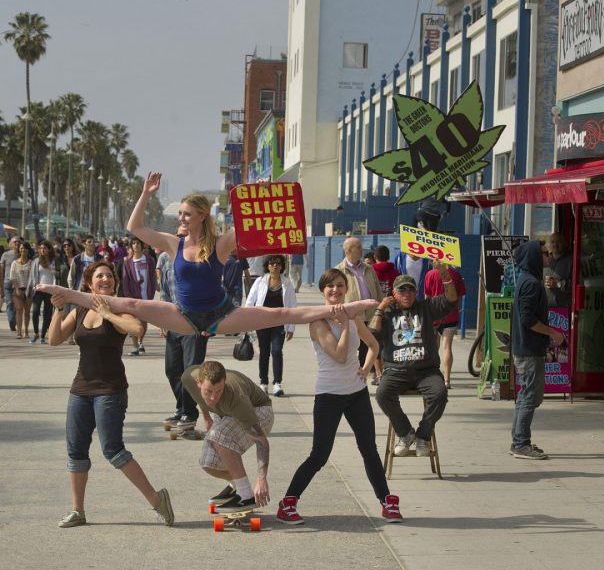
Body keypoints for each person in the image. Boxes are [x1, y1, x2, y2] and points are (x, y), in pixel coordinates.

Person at [38, 172, 377, 335]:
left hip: (220, 314)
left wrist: (260, 193)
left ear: (201, 215)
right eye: (179, 214)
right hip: (183, 315)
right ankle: (66, 293)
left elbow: (253, 223)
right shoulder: (173, 243)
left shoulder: (220, 245)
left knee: (279, 314)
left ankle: (344, 308)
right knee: (133, 304)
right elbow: (135, 228)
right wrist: (144, 193)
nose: (181, 218)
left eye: (186, 213)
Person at [47, 261, 175, 528]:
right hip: (81, 389)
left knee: (113, 450)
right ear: (89, 283)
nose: (105, 279)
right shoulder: (80, 309)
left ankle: (157, 500)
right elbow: (54, 339)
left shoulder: (119, 307)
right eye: (99, 276)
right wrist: (59, 309)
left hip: (110, 390)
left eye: (109, 276)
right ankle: (78, 511)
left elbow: (137, 330)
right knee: (76, 451)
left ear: (114, 283)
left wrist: (108, 314)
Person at [276, 268, 403, 525]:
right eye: (330, 287)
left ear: (346, 289)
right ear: (323, 291)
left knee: (369, 449)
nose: (335, 290)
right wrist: (345, 324)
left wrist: (366, 369)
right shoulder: (317, 323)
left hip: (356, 393)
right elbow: (340, 355)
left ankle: (386, 501)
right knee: (320, 455)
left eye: (340, 286)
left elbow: (374, 346)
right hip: (329, 395)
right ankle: (287, 503)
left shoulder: (353, 317)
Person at [370, 272, 458, 458]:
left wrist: (445, 276)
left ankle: (423, 436)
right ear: (393, 293)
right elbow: (372, 335)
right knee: (382, 394)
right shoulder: (387, 312)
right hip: (395, 370)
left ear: (416, 292)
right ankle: (405, 433)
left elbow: (451, 299)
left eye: (410, 290)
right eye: (402, 290)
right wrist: (380, 308)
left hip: (426, 371)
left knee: (439, 393)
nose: (406, 294)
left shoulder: (426, 307)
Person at [182, 361, 273, 513]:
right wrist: (206, 417)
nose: (213, 397)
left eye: (219, 391)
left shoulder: (236, 397)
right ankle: (237, 486)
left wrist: (261, 479)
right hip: (226, 414)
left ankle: (245, 496)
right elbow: (199, 398)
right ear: (198, 382)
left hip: (259, 412)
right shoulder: (188, 378)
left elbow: (262, 441)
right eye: (209, 391)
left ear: (224, 383)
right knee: (208, 462)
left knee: (218, 435)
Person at [510, 240, 565, 460]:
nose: (548, 256)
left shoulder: (528, 280)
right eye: (544, 253)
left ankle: (519, 439)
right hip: (529, 349)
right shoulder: (531, 283)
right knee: (530, 396)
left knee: (527, 395)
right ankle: (521, 442)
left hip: (527, 347)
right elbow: (528, 319)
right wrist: (553, 333)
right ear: (534, 257)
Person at [157, 226, 206, 431]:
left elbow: (211, 292)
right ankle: (181, 408)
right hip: (173, 322)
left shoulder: (201, 258)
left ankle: (189, 413)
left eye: (185, 236)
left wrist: (208, 322)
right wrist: (162, 320)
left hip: (195, 324)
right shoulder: (167, 259)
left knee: (190, 371)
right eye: (178, 236)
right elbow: (165, 293)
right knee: (172, 370)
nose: (180, 239)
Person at [244, 254, 296, 396]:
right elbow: (250, 302)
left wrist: (291, 328)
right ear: (267, 266)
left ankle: (277, 383)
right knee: (264, 352)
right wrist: (247, 321)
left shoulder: (287, 283)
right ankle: (263, 383)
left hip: (279, 323)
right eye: (272, 263)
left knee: (277, 351)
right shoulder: (260, 281)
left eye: (278, 263)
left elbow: (292, 307)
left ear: (282, 266)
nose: (275, 266)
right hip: (262, 322)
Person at [336, 237, 384, 367]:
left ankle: (371, 371)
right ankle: (359, 373)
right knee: (357, 349)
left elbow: (378, 290)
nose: (362, 249)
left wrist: (381, 308)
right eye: (358, 247)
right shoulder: (339, 271)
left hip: (372, 316)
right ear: (348, 250)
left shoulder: (369, 268)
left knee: (374, 345)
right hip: (353, 317)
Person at [422, 259, 467, 389]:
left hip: (433, 315)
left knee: (433, 348)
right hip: (451, 315)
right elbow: (459, 296)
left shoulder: (430, 274)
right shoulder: (455, 274)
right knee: (447, 347)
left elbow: (427, 296)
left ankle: (432, 377)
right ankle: (447, 380)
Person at [120, 238, 156, 356]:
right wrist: (128, 296)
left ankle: (141, 342)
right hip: (133, 297)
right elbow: (125, 280)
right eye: (133, 243)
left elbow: (152, 277)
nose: (136, 245)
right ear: (131, 246)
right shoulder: (127, 262)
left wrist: (152, 292)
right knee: (133, 321)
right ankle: (135, 346)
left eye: (138, 243)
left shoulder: (149, 260)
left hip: (146, 296)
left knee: (143, 322)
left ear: (142, 245)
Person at [29, 241, 58, 345]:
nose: (42, 250)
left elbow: (56, 274)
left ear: (49, 249)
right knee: (35, 311)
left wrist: (54, 272)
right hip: (39, 289)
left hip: (50, 289)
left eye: (45, 248)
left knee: (47, 313)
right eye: (41, 248)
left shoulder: (53, 261)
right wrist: (31, 288)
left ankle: (42, 336)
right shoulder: (36, 261)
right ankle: (36, 333)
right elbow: (32, 276)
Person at [9, 243, 35, 340]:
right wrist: (17, 288)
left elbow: (33, 277)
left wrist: (29, 288)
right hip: (18, 289)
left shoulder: (32, 263)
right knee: (19, 310)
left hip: (28, 289)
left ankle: (26, 330)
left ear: (28, 250)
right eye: (21, 248)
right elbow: (12, 277)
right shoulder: (14, 263)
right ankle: (19, 332)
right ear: (19, 250)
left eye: (25, 248)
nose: (23, 250)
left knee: (27, 311)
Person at [544, 232, 572, 308]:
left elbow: (578, 284)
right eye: (552, 242)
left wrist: (559, 284)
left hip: (564, 310)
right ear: (548, 245)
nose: (555, 245)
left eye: (558, 242)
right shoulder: (545, 260)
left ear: (565, 243)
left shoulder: (571, 260)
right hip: (546, 309)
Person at [0, 236, 21, 330]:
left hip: (20, 283)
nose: (17, 243)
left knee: (18, 305)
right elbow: (1, 270)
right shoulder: (5, 255)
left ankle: (16, 320)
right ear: (11, 244)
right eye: (15, 242)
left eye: (19, 242)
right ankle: (12, 321)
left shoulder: (23, 254)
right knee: (9, 303)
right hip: (7, 282)